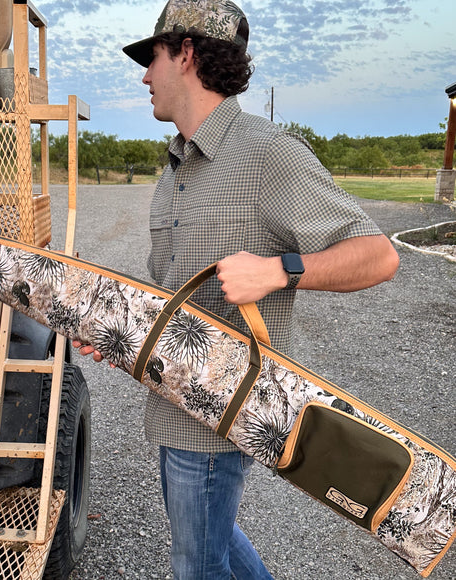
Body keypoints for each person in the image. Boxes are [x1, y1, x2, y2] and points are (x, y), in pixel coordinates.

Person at [75, 1, 400, 578]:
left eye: (152, 58)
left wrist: (279, 270)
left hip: (217, 422)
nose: (144, 76)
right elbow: (176, 299)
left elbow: (378, 256)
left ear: (187, 53)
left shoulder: (267, 153)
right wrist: (124, 339)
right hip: (171, 406)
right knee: (215, 548)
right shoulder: (178, 167)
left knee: (195, 567)